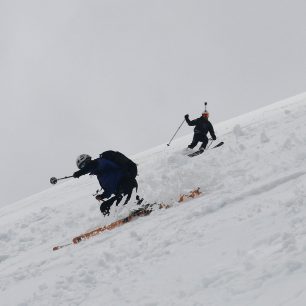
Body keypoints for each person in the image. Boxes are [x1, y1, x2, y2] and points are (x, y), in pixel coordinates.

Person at [73, 151, 138, 216]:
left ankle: (140, 205)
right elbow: (109, 190)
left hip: (127, 183)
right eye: (82, 166)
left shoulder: (101, 162)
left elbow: (92, 165)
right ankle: (113, 220)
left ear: (88, 160)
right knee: (104, 207)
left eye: (85, 164)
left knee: (126, 196)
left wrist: (79, 173)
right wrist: (102, 196)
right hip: (121, 191)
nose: (84, 167)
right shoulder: (100, 177)